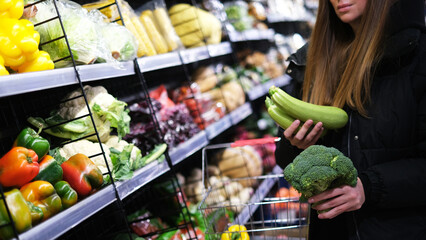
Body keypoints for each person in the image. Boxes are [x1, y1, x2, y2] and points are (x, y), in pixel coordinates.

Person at [274, 0, 426, 239]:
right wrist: (295, 146)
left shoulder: (416, 56)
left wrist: (369, 187)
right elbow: (285, 161)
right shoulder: (312, 62)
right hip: (332, 230)